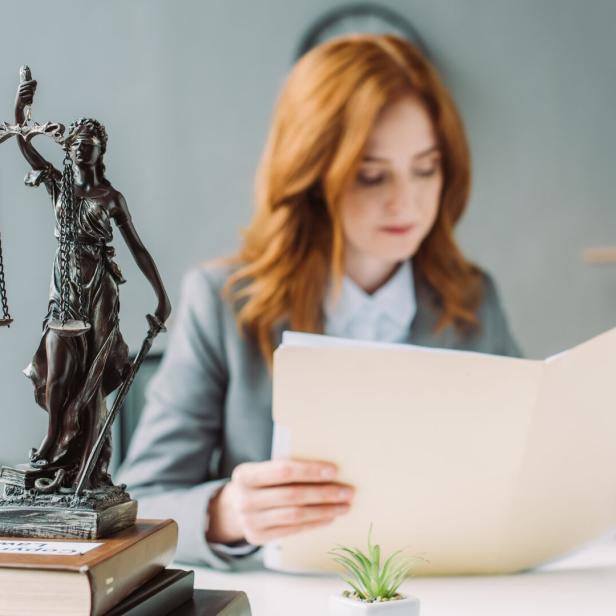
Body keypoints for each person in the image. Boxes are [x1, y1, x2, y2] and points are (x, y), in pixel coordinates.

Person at [118, 34, 520, 568]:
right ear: (311, 174)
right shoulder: (223, 303)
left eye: (426, 168)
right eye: (371, 175)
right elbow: (139, 503)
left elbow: (522, 472)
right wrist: (230, 513)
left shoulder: (472, 300)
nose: (407, 200)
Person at [14, 81, 171, 490]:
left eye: (90, 144)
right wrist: (22, 108)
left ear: (102, 151)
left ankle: (88, 464)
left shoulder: (110, 196)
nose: (81, 149)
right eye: (77, 143)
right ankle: (53, 439)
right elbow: (24, 144)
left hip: (99, 289)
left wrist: (162, 296)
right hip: (63, 288)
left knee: (91, 375)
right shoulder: (58, 184)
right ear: (68, 149)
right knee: (57, 372)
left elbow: (137, 248)